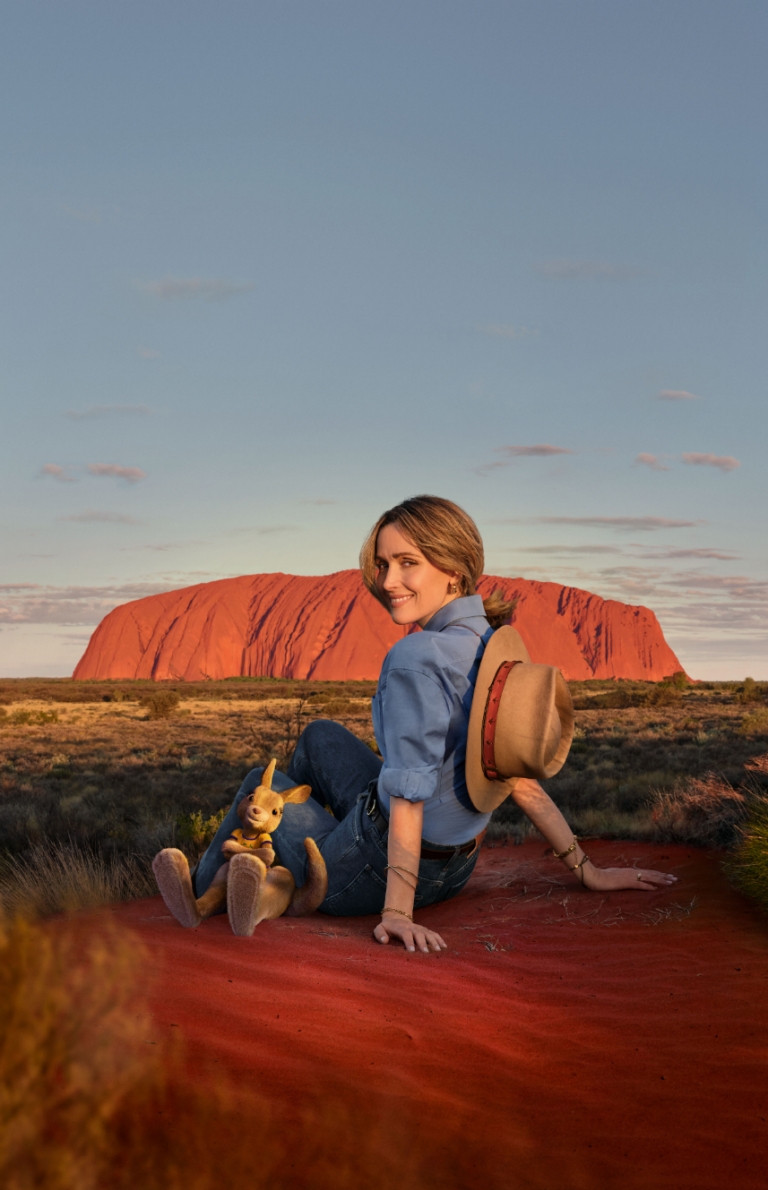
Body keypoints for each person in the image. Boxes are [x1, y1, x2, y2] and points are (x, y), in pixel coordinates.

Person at [193, 495, 677, 953]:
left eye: (408, 563)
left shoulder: (415, 657)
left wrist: (397, 913)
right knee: (319, 735)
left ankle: (218, 885)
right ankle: (290, 855)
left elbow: (407, 794)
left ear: (454, 571)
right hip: (456, 869)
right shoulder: (490, 644)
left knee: (263, 785)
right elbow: (516, 773)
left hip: (371, 873)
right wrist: (585, 867)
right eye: (384, 565)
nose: (387, 581)